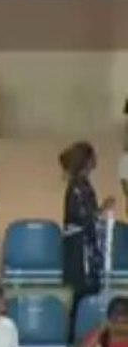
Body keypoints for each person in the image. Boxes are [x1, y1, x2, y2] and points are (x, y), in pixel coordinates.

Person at [62, 141, 111, 333]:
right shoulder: (76, 187)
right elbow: (82, 217)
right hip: (79, 250)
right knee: (82, 294)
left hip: (85, 248)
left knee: (85, 294)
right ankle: (77, 335)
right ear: (87, 160)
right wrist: (102, 211)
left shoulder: (83, 185)